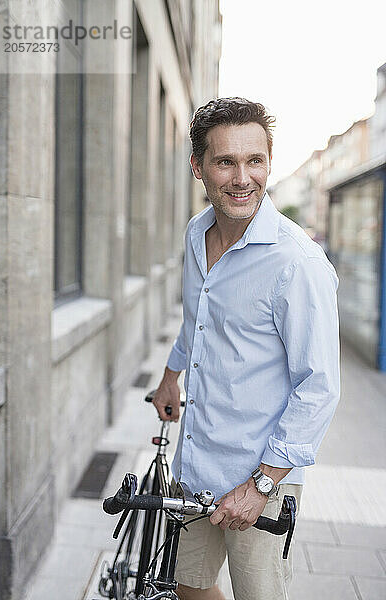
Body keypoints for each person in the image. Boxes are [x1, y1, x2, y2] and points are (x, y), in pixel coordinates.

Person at [152, 98, 340, 600]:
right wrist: (171, 375)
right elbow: (199, 321)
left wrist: (261, 486)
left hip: (261, 475)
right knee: (189, 587)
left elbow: (319, 387)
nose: (243, 178)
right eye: (225, 161)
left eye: (254, 160)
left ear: (268, 163)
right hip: (197, 461)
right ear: (198, 166)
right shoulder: (197, 234)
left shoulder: (297, 263)